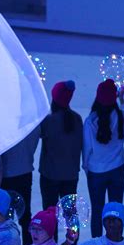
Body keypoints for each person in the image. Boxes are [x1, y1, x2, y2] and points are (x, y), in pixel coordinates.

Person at [82, 78, 124, 238]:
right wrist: (122, 99)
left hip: (96, 173)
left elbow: (87, 150)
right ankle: (115, 243)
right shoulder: (121, 117)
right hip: (118, 170)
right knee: (116, 210)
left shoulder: (90, 121)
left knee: (97, 211)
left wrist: (87, 169)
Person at [39, 80, 83, 215]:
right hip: (70, 175)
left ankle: (51, 237)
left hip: (49, 175)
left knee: (50, 214)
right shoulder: (77, 119)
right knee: (70, 215)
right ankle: (73, 237)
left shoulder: (48, 121)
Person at [1, 126, 41, 245]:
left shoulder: (6, 126)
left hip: (6, 174)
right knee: (25, 216)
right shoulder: (33, 125)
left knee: (4, 217)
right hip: (25, 171)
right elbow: (33, 146)